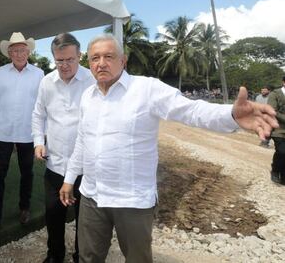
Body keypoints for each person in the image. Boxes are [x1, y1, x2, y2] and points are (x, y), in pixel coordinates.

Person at [59, 34, 277, 263]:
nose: (101, 63)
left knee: (138, 259)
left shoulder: (146, 89)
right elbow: (83, 140)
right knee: (88, 258)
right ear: (89, 63)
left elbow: (190, 111)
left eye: (108, 56)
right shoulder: (87, 97)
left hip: (132, 200)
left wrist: (230, 115)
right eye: (95, 58)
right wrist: (70, 178)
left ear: (122, 61)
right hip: (92, 195)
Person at [32, 33, 94, 263]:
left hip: (86, 168)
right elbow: (38, 115)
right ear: (53, 58)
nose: (65, 65)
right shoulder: (47, 82)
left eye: (70, 59)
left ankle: (81, 256)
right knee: (53, 215)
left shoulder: (92, 80)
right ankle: (55, 255)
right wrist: (39, 141)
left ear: (80, 56)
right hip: (55, 165)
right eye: (59, 61)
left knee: (84, 220)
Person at [0, 32, 44, 238]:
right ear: (9, 53)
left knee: (27, 173)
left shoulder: (38, 74)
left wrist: (41, 135)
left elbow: (42, 105)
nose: (19, 53)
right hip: (3, 132)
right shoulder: (0, 72)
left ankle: (24, 207)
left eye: (22, 50)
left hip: (28, 133)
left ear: (28, 51)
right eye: (15, 50)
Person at [267, 77, 285, 185]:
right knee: (282, 152)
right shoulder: (275, 94)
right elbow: (272, 110)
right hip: (278, 129)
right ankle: (275, 170)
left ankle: (283, 176)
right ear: (283, 82)